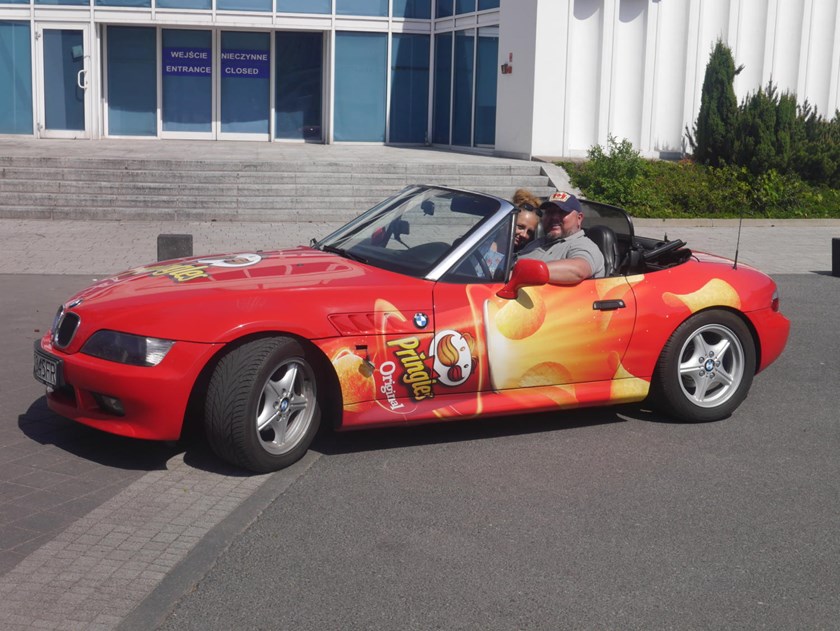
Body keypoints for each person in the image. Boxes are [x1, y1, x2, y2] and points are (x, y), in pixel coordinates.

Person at [517, 191, 605, 283]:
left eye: (562, 212)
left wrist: (523, 272)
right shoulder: (536, 243)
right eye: (550, 212)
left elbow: (578, 270)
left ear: (579, 218)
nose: (554, 217)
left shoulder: (583, 244)